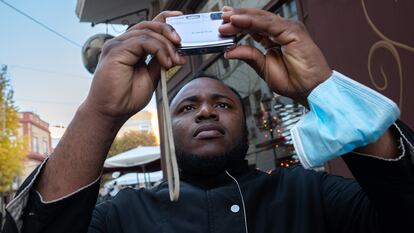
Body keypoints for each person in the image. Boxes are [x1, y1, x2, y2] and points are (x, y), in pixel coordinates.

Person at [2, 7, 414, 233]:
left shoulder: (310, 194)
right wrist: (100, 113)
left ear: (247, 122)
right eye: (185, 107)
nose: (204, 110)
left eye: (223, 104)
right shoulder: (122, 215)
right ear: (167, 130)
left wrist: (319, 90)